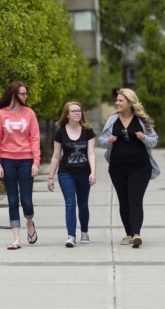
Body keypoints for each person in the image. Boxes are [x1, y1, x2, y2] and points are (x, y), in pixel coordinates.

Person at [98, 88, 160, 248]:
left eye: (120, 101)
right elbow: (101, 140)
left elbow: (154, 140)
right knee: (123, 201)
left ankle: (137, 234)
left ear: (130, 103)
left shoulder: (142, 120)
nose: (117, 103)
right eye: (117, 100)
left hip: (140, 167)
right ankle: (128, 234)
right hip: (117, 169)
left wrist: (144, 137)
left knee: (135, 199)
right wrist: (109, 140)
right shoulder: (112, 120)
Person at [0, 81, 41, 250]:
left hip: (26, 160)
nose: (26, 97)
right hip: (7, 161)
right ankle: (16, 239)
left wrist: (36, 162)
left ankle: (29, 222)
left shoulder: (29, 114)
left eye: (26, 94)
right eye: (23, 94)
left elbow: (34, 138)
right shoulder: (0, 115)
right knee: (12, 199)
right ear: (14, 95)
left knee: (26, 200)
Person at [47, 102, 97, 248]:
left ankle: (84, 232)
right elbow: (56, 156)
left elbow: (91, 153)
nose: (77, 113)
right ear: (67, 115)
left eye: (79, 110)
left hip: (84, 172)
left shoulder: (88, 130)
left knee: (83, 205)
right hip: (65, 172)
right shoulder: (60, 132)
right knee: (70, 203)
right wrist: (51, 177)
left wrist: (93, 172)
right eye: (74, 111)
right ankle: (71, 236)